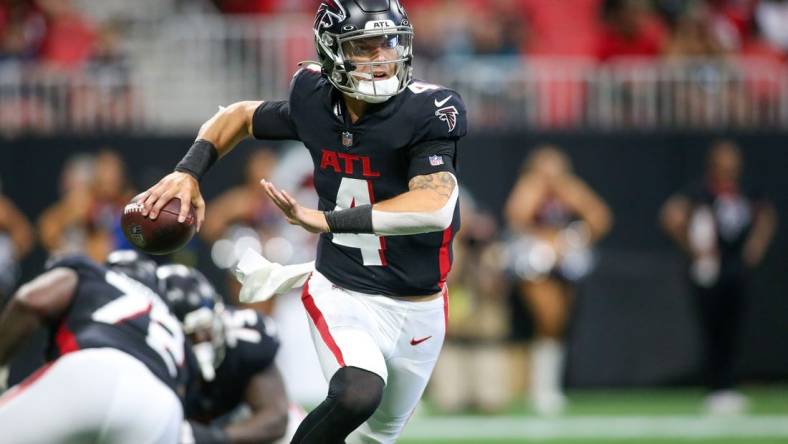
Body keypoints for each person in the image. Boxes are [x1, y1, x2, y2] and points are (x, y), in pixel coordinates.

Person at [138, 1, 467, 442]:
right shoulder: (313, 99)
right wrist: (188, 170)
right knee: (356, 393)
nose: (382, 58)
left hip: (420, 303)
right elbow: (238, 116)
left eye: (388, 44)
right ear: (332, 52)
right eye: (364, 47)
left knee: (373, 436)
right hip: (343, 288)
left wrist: (327, 220)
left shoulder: (429, 109)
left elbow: (434, 206)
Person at [0, 250, 187, 443]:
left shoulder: (96, 274)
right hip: (164, 412)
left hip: (97, 372)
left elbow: (31, 300)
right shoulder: (172, 325)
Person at [660, 140, 776, 415]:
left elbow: (767, 215)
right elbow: (671, 215)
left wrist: (755, 246)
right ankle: (716, 386)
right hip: (709, 269)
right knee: (712, 326)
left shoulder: (746, 190)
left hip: (736, 269)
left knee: (733, 327)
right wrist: (692, 247)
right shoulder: (699, 191)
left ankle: (727, 385)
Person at [504, 145, 612, 415]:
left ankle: (547, 388)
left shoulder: (569, 188)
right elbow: (516, 217)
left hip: (563, 261)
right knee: (548, 318)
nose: (552, 175)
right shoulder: (530, 187)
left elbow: (600, 217)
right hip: (534, 260)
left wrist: (574, 238)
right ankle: (541, 389)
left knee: (559, 322)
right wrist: (539, 188)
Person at [156, 263, 298, 444]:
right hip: (175, 432)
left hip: (235, 426)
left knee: (294, 432)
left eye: (205, 330)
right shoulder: (142, 355)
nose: (202, 340)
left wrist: (216, 438)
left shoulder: (245, 337)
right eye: (191, 336)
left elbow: (276, 418)